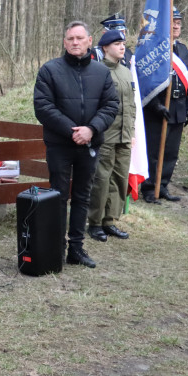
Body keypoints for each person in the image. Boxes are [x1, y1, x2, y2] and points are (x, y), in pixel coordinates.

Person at [33, 21, 118, 269]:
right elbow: (44, 107)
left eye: (80, 38)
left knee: (82, 196)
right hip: (60, 144)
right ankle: (56, 247)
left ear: (90, 41)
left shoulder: (102, 73)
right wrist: (73, 131)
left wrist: (91, 129)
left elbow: (110, 106)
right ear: (64, 42)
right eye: (70, 38)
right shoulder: (49, 70)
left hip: (90, 144)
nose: (75, 42)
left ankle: (76, 248)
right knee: (58, 195)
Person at [87, 30, 136, 243]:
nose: (122, 47)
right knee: (102, 179)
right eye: (117, 43)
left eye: (123, 43)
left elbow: (132, 106)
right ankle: (95, 222)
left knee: (119, 179)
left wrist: (132, 133)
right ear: (105, 48)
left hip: (124, 135)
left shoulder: (126, 71)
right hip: (106, 134)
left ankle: (110, 221)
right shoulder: (96, 71)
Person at [141, 8, 188, 203]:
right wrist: (155, 105)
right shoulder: (153, 49)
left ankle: (162, 186)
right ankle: (149, 187)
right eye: (173, 22)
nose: (177, 25)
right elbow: (146, 81)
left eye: (179, 22)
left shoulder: (182, 49)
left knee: (171, 151)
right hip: (158, 109)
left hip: (178, 107)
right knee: (154, 151)